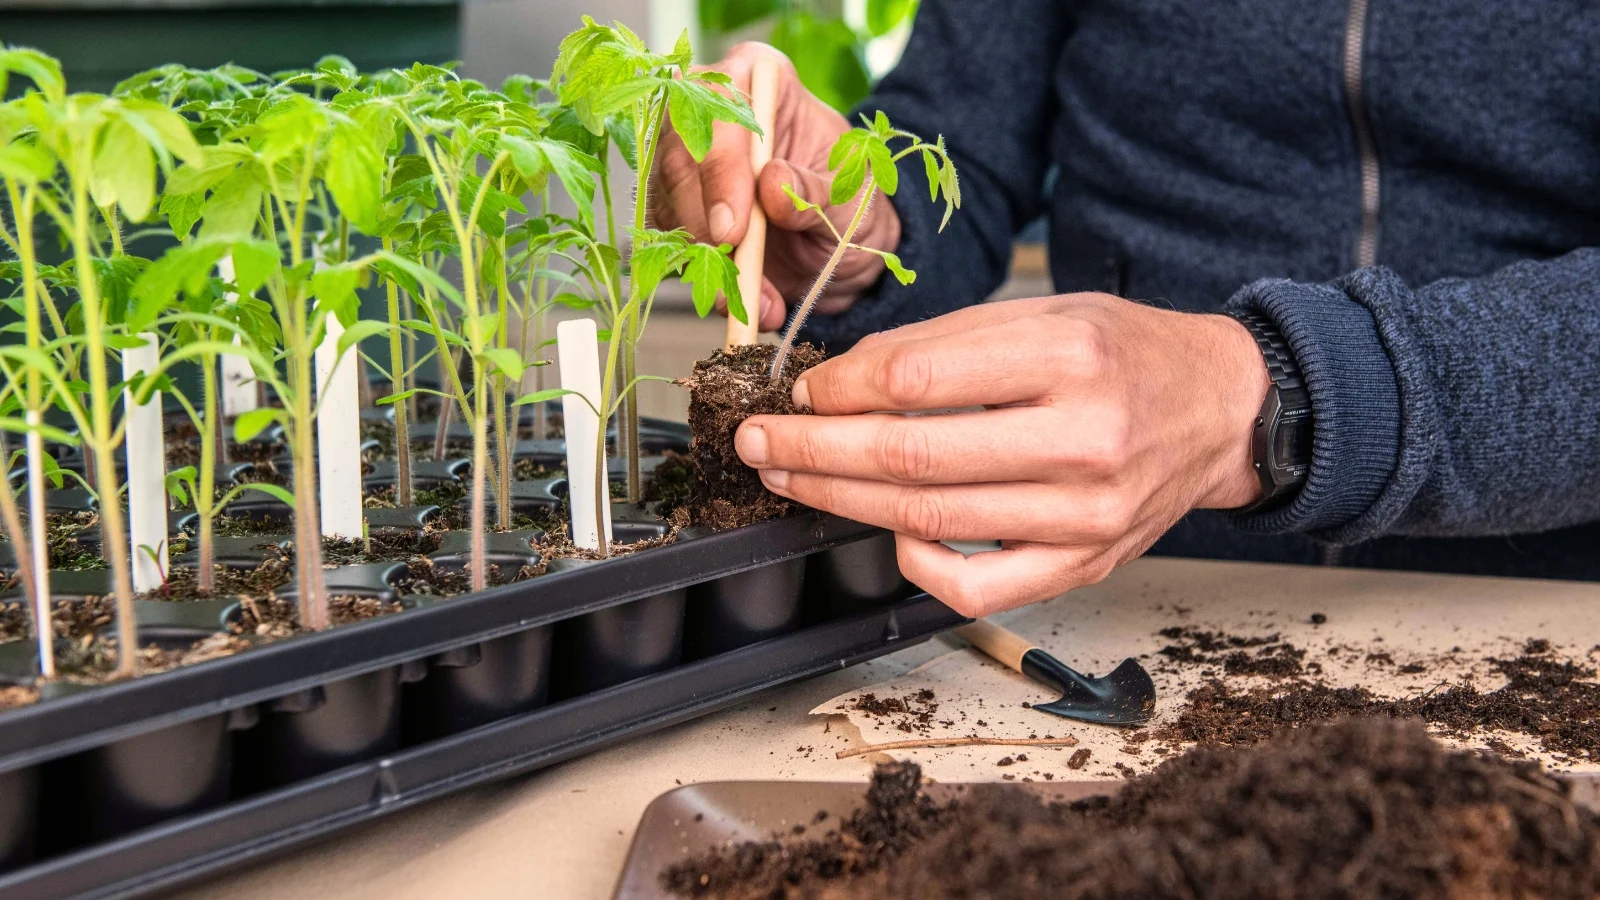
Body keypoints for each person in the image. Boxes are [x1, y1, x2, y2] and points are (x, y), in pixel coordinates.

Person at [648, 1, 1600, 617]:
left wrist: (1278, 402)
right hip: (1113, 600)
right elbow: (963, 146)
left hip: (1538, 603)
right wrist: (860, 228)